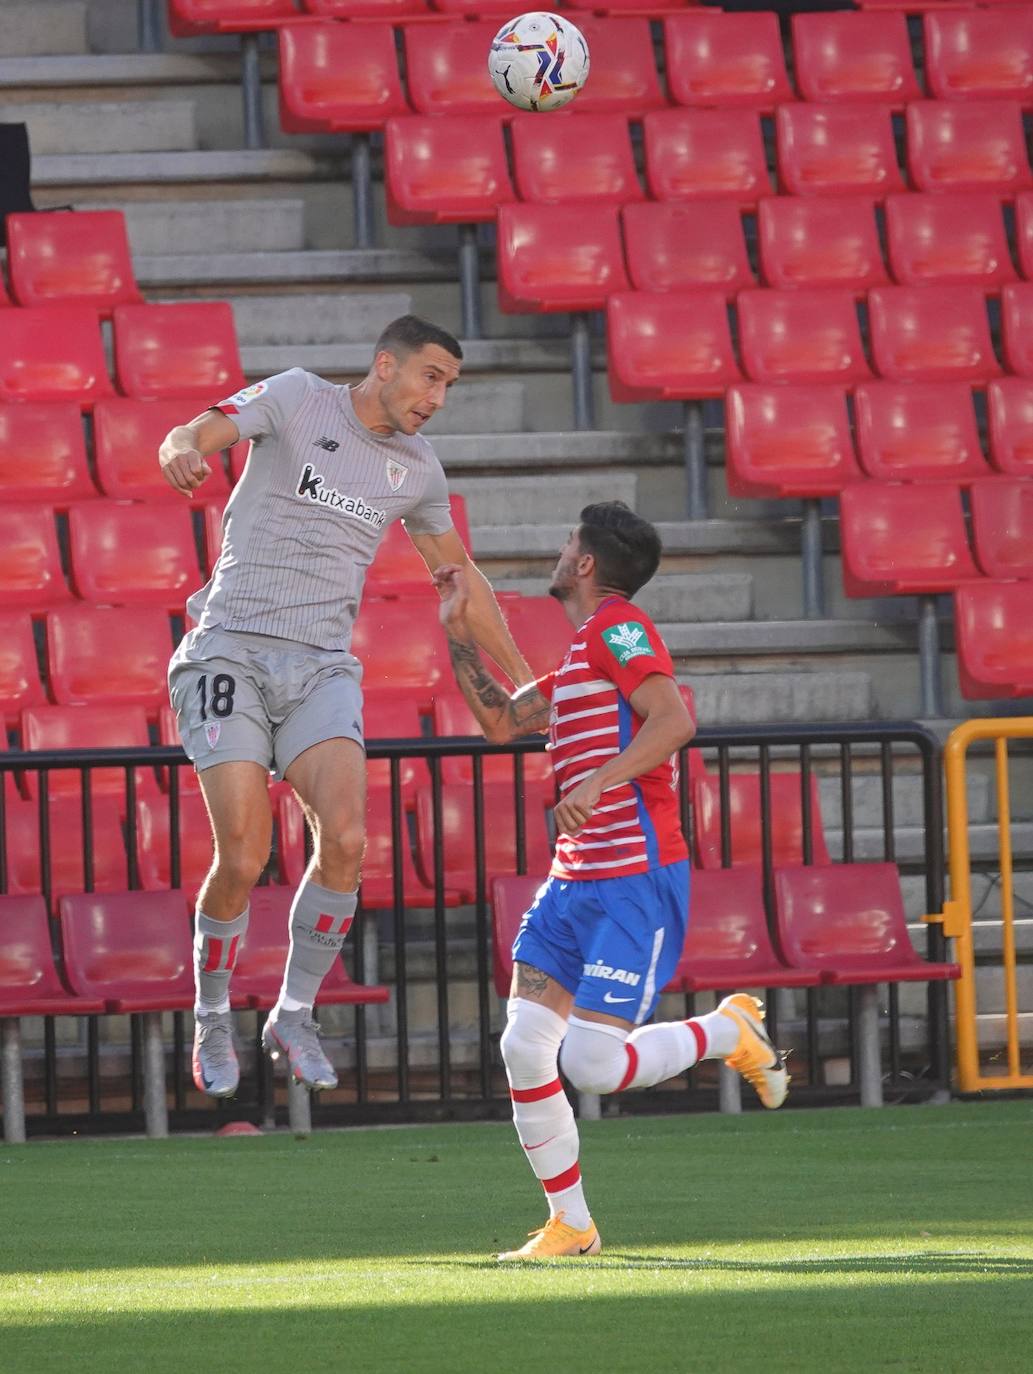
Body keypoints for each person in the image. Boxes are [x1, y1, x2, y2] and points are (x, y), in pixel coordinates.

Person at [159, 315, 532, 1100]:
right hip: (228, 649)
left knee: (350, 839)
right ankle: (212, 1012)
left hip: (321, 667)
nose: (437, 398)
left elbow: (461, 579)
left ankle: (293, 1013)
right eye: (430, 377)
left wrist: (527, 679)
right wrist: (183, 449)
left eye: (449, 386)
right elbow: (198, 431)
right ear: (384, 365)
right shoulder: (299, 397)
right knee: (243, 855)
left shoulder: (418, 470)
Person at [434, 501, 789, 1261]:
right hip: (572, 881)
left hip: (633, 877)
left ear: (586, 562)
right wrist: (457, 630)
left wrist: (597, 780)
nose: (560, 551)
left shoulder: (621, 628)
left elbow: (673, 721)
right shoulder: (580, 657)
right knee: (524, 1046)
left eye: (569, 542)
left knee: (590, 1065)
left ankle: (727, 1031)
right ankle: (572, 1225)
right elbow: (501, 722)